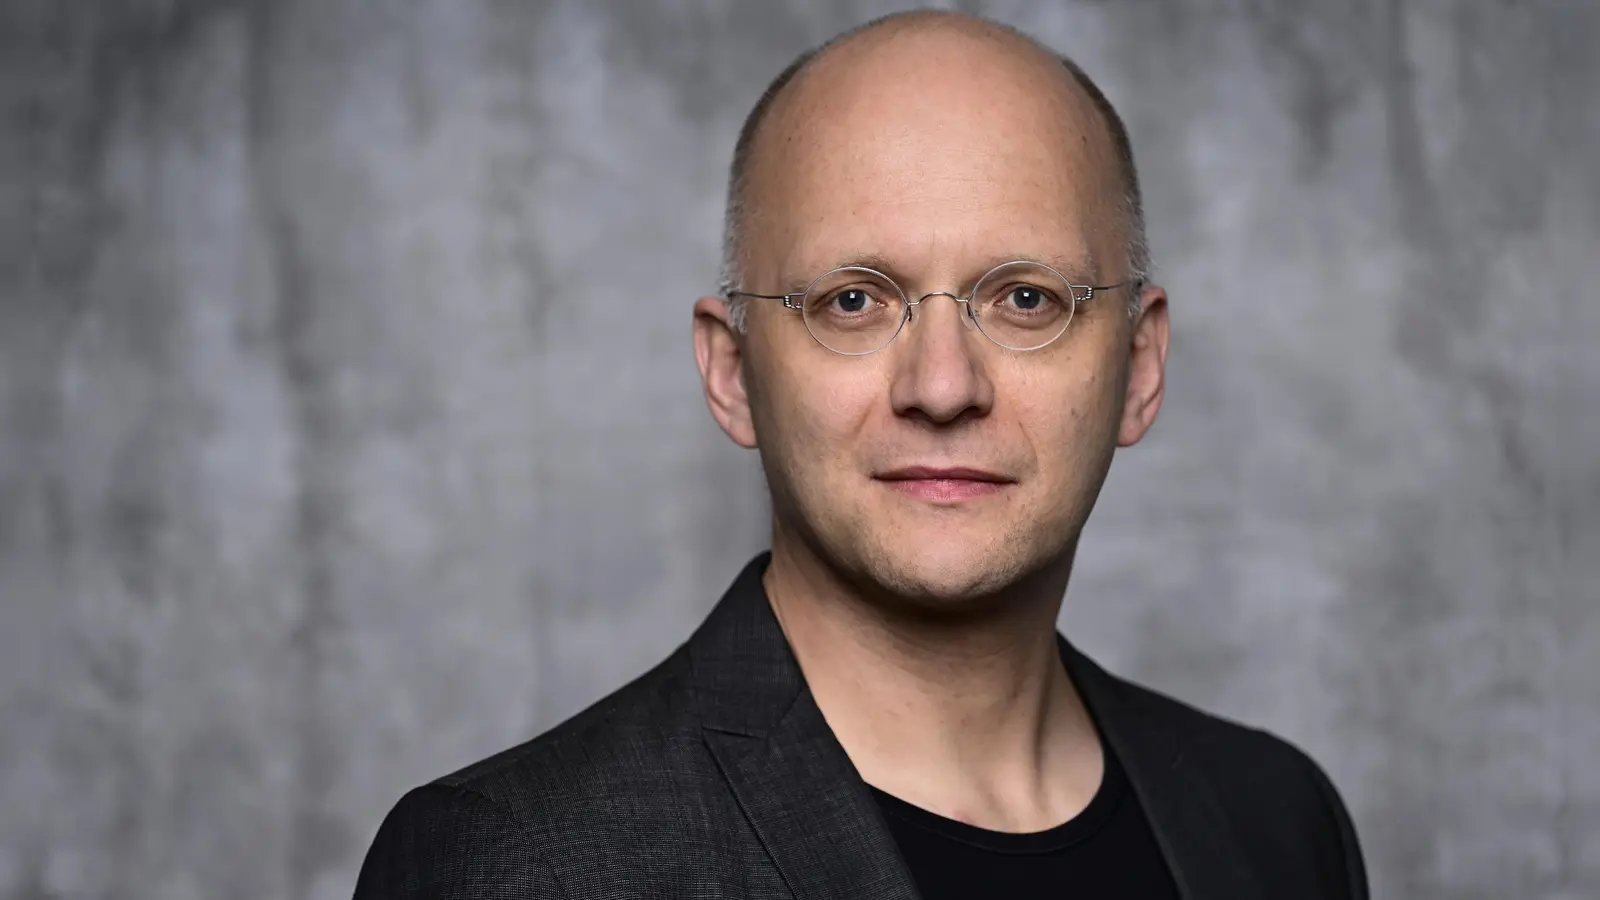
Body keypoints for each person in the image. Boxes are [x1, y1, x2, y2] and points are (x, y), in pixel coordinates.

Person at [353, 10, 1368, 899]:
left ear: (1139, 367)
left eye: (1026, 299)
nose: (942, 387)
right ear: (731, 372)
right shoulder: (521, 864)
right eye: (852, 302)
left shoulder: (1276, 823)